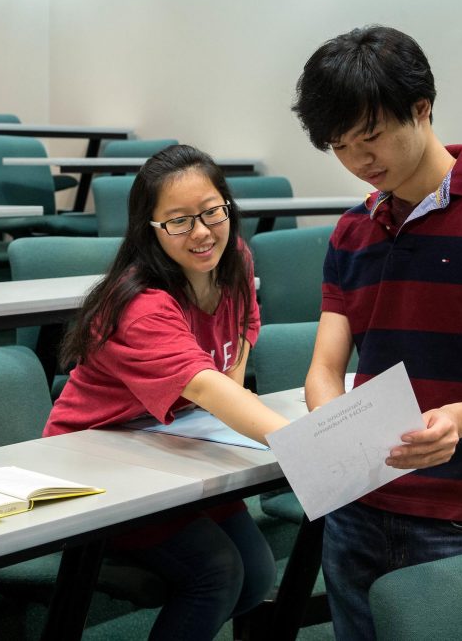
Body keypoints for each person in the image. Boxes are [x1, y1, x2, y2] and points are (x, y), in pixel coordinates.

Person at [291, 25, 462, 640]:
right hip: (357, 508)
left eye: (371, 137)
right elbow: (325, 367)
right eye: (340, 146)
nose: (360, 162)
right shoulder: (350, 232)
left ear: (422, 108)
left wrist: (458, 420)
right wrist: (329, 432)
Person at [45, 144, 289, 640]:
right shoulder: (142, 307)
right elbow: (205, 386)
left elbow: (241, 332)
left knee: (258, 573)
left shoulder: (234, 256)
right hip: (97, 461)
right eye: (178, 221)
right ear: (149, 230)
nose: (202, 232)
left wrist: (228, 411)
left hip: (174, 442)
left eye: (211, 212)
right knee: (216, 573)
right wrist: (310, 441)